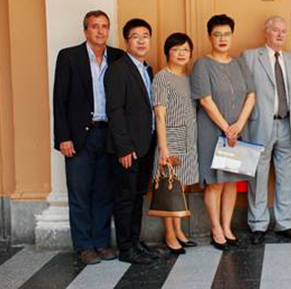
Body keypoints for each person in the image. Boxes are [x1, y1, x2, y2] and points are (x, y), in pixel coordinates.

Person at [53, 10, 124, 265]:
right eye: (95, 26)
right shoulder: (69, 57)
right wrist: (63, 137)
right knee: (80, 192)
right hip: (79, 137)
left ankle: (101, 242)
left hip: (108, 135)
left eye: (104, 26)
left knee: (104, 192)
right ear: (86, 30)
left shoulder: (118, 57)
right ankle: (83, 247)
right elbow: (59, 100)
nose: (100, 31)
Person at [242, 16, 291, 245]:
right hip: (260, 125)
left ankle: (285, 224)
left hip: (288, 125)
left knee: (285, 177)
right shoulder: (250, 57)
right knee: (258, 176)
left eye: (284, 31)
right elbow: (243, 92)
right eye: (275, 30)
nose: (281, 35)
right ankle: (258, 224)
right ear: (266, 32)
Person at [191, 14, 256, 250]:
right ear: (209, 37)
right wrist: (226, 128)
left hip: (237, 131)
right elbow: (205, 100)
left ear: (232, 35)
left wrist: (239, 124)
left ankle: (227, 227)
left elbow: (251, 95)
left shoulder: (240, 63)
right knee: (215, 182)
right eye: (217, 34)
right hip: (212, 131)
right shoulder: (202, 64)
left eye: (226, 34)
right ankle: (216, 228)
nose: (222, 38)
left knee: (231, 181)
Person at [105, 18, 159, 264]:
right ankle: (126, 249)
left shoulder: (146, 69)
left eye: (145, 36)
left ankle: (135, 242)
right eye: (135, 36)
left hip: (145, 145)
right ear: (127, 41)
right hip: (128, 149)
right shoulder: (118, 69)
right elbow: (114, 110)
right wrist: (124, 148)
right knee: (125, 199)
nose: (141, 41)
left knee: (138, 196)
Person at [151, 33, 199, 255]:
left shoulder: (188, 78)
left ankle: (178, 230)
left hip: (188, 139)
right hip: (170, 138)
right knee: (170, 187)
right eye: (176, 49)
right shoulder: (162, 78)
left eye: (185, 50)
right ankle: (169, 234)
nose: (181, 54)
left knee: (181, 186)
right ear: (167, 52)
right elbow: (160, 115)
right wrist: (164, 148)